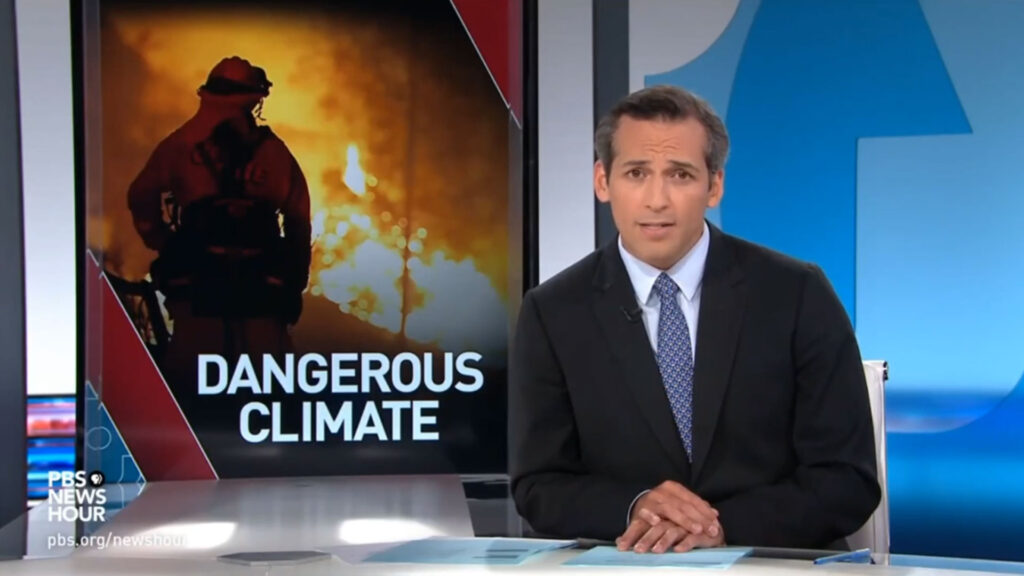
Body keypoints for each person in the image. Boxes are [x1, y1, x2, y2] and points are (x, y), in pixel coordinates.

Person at [510, 85, 879, 553]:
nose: (656, 200)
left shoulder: (796, 294)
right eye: (636, 173)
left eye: (680, 175)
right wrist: (636, 507)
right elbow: (539, 485)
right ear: (603, 181)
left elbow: (847, 479)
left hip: (772, 561)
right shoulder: (553, 312)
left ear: (714, 185)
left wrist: (718, 528)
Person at [127, 56, 311, 380]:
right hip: (261, 289)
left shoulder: (179, 145)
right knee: (268, 379)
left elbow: (141, 195)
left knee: (193, 379)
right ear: (255, 99)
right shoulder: (275, 152)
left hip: (199, 286)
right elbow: (298, 219)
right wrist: (294, 277)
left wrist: (163, 241)